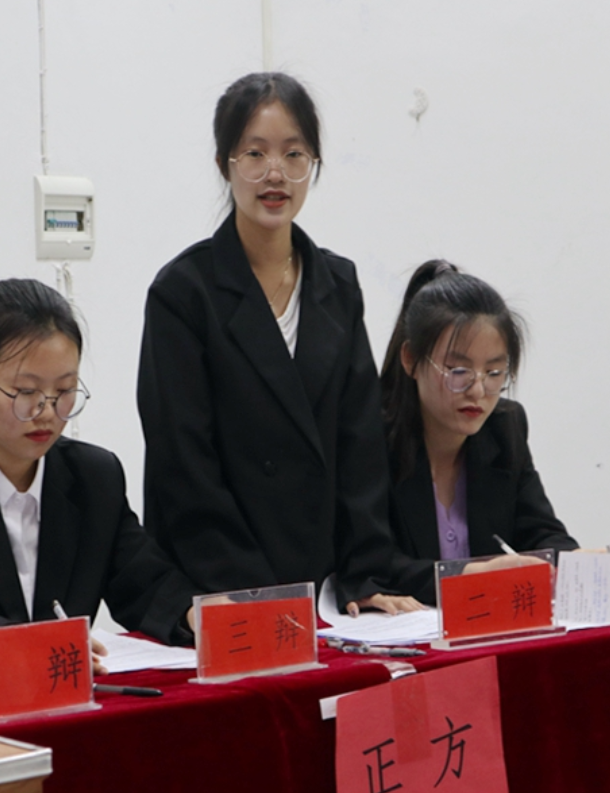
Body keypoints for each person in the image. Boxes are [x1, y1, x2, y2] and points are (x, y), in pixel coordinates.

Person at [138, 72, 419, 614]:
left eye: (294, 154)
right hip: (219, 585)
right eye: (254, 153)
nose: (275, 174)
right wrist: (253, 592)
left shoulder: (338, 284)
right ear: (224, 164)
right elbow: (183, 464)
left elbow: (359, 444)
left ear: (314, 163)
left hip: (326, 587)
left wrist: (363, 572)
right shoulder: (183, 293)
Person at [0, 278, 198, 665]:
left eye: (64, 391)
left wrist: (195, 615)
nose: (46, 412)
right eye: (26, 392)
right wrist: (23, 642)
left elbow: (145, 584)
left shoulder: (94, 478)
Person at [381, 260, 579, 603]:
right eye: (458, 370)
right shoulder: (370, 438)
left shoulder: (505, 427)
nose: (478, 390)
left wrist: (574, 564)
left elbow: (543, 534)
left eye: (494, 373)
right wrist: (468, 576)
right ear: (411, 359)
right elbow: (371, 564)